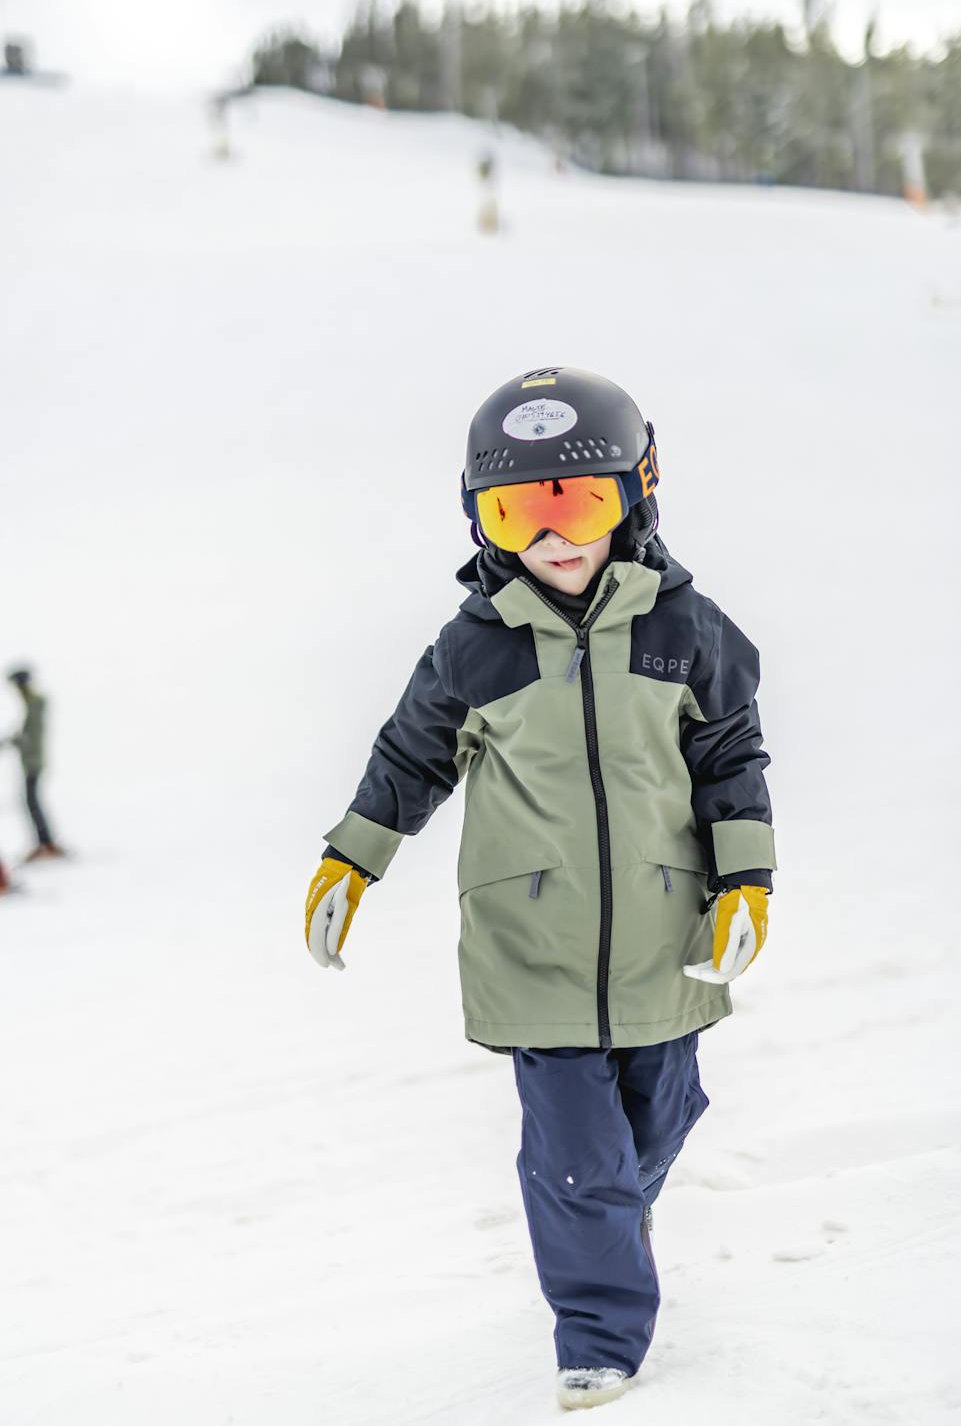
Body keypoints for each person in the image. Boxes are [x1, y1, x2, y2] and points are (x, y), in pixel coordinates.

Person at [303, 368, 776, 1411]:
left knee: (663, 1111)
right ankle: (599, 1332)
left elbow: (733, 753)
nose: (553, 536)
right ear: (483, 520)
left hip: (664, 931)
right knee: (575, 1155)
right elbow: (408, 757)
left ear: (635, 498)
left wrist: (745, 879)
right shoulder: (474, 648)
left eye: (582, 502)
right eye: (519, 510)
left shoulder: (686, 629)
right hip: (533, 943)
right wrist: (352, 857)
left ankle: (607, 1216)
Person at [4, 667, 65, 861]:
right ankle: (44, 842)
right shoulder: (32, 704)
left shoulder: (35, 704)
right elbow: (26, 735)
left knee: (32, 802)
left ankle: (45, 843)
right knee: (31, 802)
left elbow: (31, 736)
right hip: (31, 760)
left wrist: (17, 742)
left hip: (33, 761)